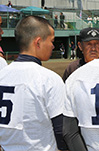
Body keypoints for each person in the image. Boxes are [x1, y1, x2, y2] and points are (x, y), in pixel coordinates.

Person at [0, 16, 67, 150]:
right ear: (38, 42)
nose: (53, 46)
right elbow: (61, 130)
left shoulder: (2, 74)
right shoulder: (49, 79)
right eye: (51, 41)